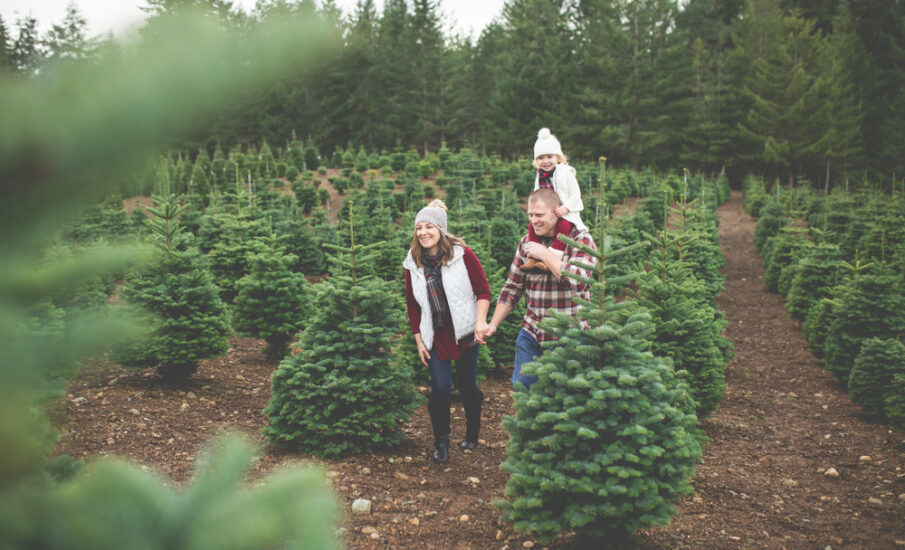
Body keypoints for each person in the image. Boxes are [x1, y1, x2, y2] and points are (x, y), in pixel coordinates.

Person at [403, 200, 491, 463]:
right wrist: (419, 340)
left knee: (467, 387)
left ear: (441, 229)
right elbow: (412, 305)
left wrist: (480, 322)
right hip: (435, 334)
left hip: (465, 331)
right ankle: (441, 442)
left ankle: (473, 431)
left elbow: (482, 291)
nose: (423, 232)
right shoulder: (413, 263)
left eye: (429, 226)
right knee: (440, 389)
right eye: (419, 227)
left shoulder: (462, 255)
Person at [482, 188, 597, 390]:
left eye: (539, 215)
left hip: (570, 334)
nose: (534, 220)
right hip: (532, 331)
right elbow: (513, 287)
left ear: (556, 211)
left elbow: (579, 279)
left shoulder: (580, 240)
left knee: (566, 393)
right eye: (530, 215)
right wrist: (493, 324)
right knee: (523, 386)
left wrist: (545, 254)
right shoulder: (526, 242)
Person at [522, 127, 588, 272]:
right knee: (531, 226)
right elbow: (536, 194)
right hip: (547, 213)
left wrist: (566, 208)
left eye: (549, 157)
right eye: (541, 158)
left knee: (563, 226)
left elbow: (576, 194)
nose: (545, 161)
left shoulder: (566, 173)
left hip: (564, 213)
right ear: (536, 160)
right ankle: (533, 258)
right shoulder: (539, 175)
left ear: (558, 157)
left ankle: (553, 256)